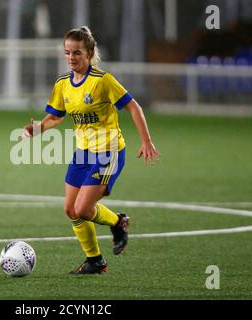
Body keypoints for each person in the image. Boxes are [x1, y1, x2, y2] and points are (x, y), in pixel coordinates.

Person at [22, 26, 160, 274]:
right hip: (82, 153)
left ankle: (118, 222)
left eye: (77, 53)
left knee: (84, 209)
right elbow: (55, 117)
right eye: (67, 53)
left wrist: (146, 140)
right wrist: (37, 128)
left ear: (89, 53)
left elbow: (133, 107)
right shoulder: (63, 84)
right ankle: (95, 260)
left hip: (109, 152)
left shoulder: (102, 81)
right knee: (70, 209)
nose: (71, 58)